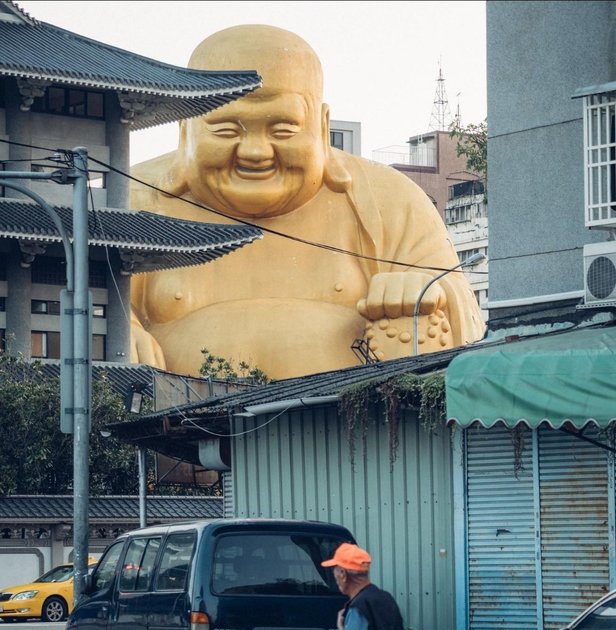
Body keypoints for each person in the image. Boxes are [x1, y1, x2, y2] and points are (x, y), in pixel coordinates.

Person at [129, 24, 485, 380]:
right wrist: (121, 333)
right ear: (185, 130)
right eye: (227, 130)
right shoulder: (132, 197)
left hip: (353, 423)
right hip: (170, 426)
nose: (255, 152)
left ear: (322, 123)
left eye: (282, 129)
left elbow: (465, 312)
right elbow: (84, 303)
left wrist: (424, 291)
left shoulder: (388, 199)